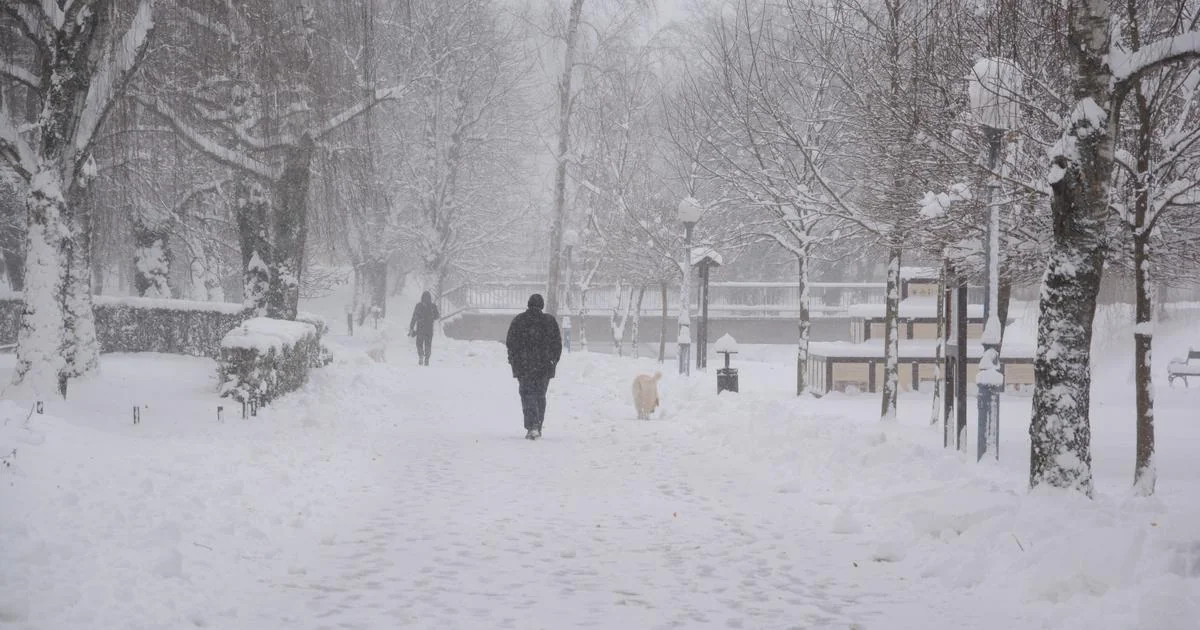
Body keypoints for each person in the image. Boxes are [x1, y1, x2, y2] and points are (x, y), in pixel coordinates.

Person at [505, 293, 562, 440]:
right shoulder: (549, 321)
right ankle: (538, 425)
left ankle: (532, 426)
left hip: (524, 366)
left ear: (528, 304)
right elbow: (557, 345)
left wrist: (514, 361)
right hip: (544, 367)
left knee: (527, 395)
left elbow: (511, 344)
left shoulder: (519, 320)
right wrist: (553, 361)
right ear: (542, 305)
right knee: (540, 395)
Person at [408, 290, 440, 366]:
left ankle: (421, 355)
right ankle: (427, 359)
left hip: (420, 328)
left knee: (419, 344)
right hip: (429, 329)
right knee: (428, 344)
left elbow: (414, 317)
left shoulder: (418, 306)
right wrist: (432, 316)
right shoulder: (433, 306)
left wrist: (411, 327)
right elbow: (437, 316)